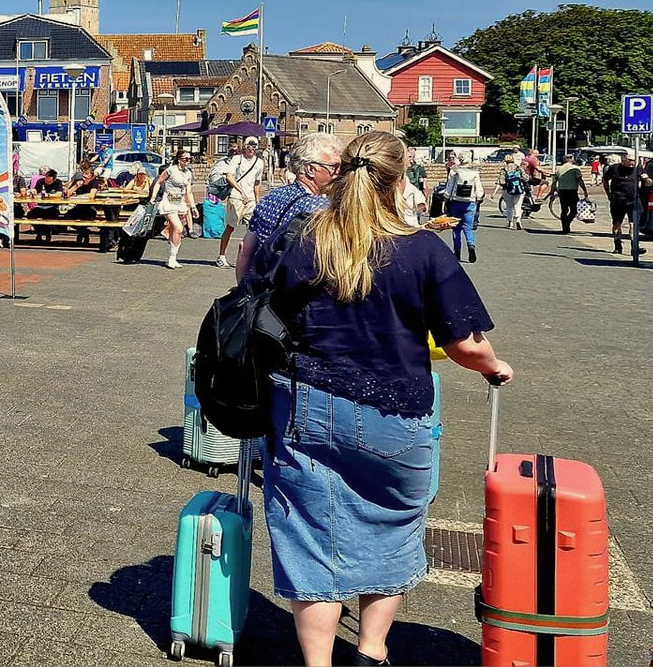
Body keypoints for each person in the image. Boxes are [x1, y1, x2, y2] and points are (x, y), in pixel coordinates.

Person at [261, 131, 513, 667]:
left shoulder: (303, 238)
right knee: (392, 526)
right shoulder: (422, 249)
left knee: (310, 534)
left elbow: (263, 308)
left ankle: (317, 662)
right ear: (399, 181)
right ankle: (371, 651)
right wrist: (495, 367)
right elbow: (464, 345)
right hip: (394, 410)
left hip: (307, 402)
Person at [235, 133, 341, 281]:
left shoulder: (269, 198)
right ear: (310, 169)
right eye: (334, 167)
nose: (338, 173)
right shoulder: (321, 209)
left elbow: (244, 249)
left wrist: (243, 289)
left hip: (262, 287)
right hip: (295, 290)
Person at [216, 136, 264, 269]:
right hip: (236, 196)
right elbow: (229, 177)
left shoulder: (259, 162)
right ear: (244, 147)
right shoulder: (237, 159)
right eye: (249, 146)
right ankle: (221, 256)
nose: (251, 149)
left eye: (254, 147)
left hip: (250, 199)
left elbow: (257, 183)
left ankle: (250, 258)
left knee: (252, 228)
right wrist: (241, 191)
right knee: (231, 226)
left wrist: (257, 200)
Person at [153, 149, 197, 269]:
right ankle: (172, 258)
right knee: (179, 228)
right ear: (179, 159)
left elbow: (189, 192)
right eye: (186, 158)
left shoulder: (188, 173)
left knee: (174, 230)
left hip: (180, 202)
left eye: (190, 159)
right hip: (169, 202)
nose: (188, 161)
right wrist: (153, 197)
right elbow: (159, 182)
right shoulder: (170, 170)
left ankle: (172, 257)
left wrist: (193, 207)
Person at [442, 153, 484, 262]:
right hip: (470, 202)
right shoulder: (475, 172)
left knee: (456, 228)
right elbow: (479, 188)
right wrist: (479, 198)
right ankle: (471, 245)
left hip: (456, 202)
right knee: (468, 228)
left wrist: (445, 200)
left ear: (460, 159)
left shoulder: (455, 171)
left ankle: (457, 252)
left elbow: (450, 186)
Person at [603, 152, 638, 254]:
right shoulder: (614, 169)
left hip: (632, 201)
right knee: (617, 224)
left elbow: (643, 176)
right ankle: (618, 245)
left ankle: (634, 246)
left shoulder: (637, 169)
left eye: (634, 160)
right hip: (617, 201)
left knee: (633, 224)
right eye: (630, 160)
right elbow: (605, 180)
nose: (632, 162)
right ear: (623, 161)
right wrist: (608, 193)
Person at [549, 153, 588, 234]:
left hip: (562, 191)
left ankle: (565, 227)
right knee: (574, 209)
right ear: (571, 159)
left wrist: (552, 193)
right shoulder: (575, 169)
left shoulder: (559, 169)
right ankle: (567, 222)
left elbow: (554, 182)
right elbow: (580, 180)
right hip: (572, 191)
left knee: (564, 210)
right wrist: (584, 190)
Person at [27, 169, 64, 243]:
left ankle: (47, 233)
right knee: (30, 215)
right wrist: (33, 192)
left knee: (48, 217)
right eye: (46, 179)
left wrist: (48, 195)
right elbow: (36, 191)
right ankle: (39, 232)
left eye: (49, 180)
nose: (47, 181)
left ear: (54, 179)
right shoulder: (40, 181)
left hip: (52, 207)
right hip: (40, 206)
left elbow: (59, 194)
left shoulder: (58, 182)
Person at [491, 154, 527, 230]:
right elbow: (526, 178)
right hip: (519, 189)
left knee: (509, 206)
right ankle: (518, 219)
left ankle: (510, 222)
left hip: (507, 190)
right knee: (518, 205)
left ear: (506, 161)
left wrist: (494, 192)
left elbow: (501, 181)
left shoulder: (504, 170)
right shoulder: (518, 168)